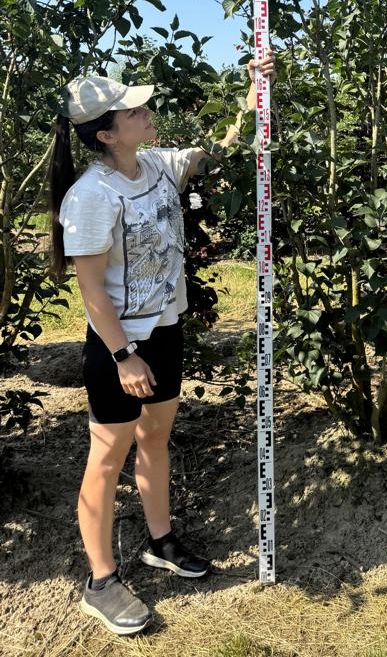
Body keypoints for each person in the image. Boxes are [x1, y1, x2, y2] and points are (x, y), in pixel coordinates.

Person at [47, 52, 276, 636]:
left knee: (155, 437)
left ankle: (160, 541)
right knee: (107, 456)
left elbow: (209, 156)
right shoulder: (91, 196)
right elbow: (92, 292)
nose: (146, 111)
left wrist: (253, 98)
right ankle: (100, 581)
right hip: (120, 347)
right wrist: (125, 357)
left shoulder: (153, 166)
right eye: (133, 109)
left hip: (165, 329)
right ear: (106, 132)